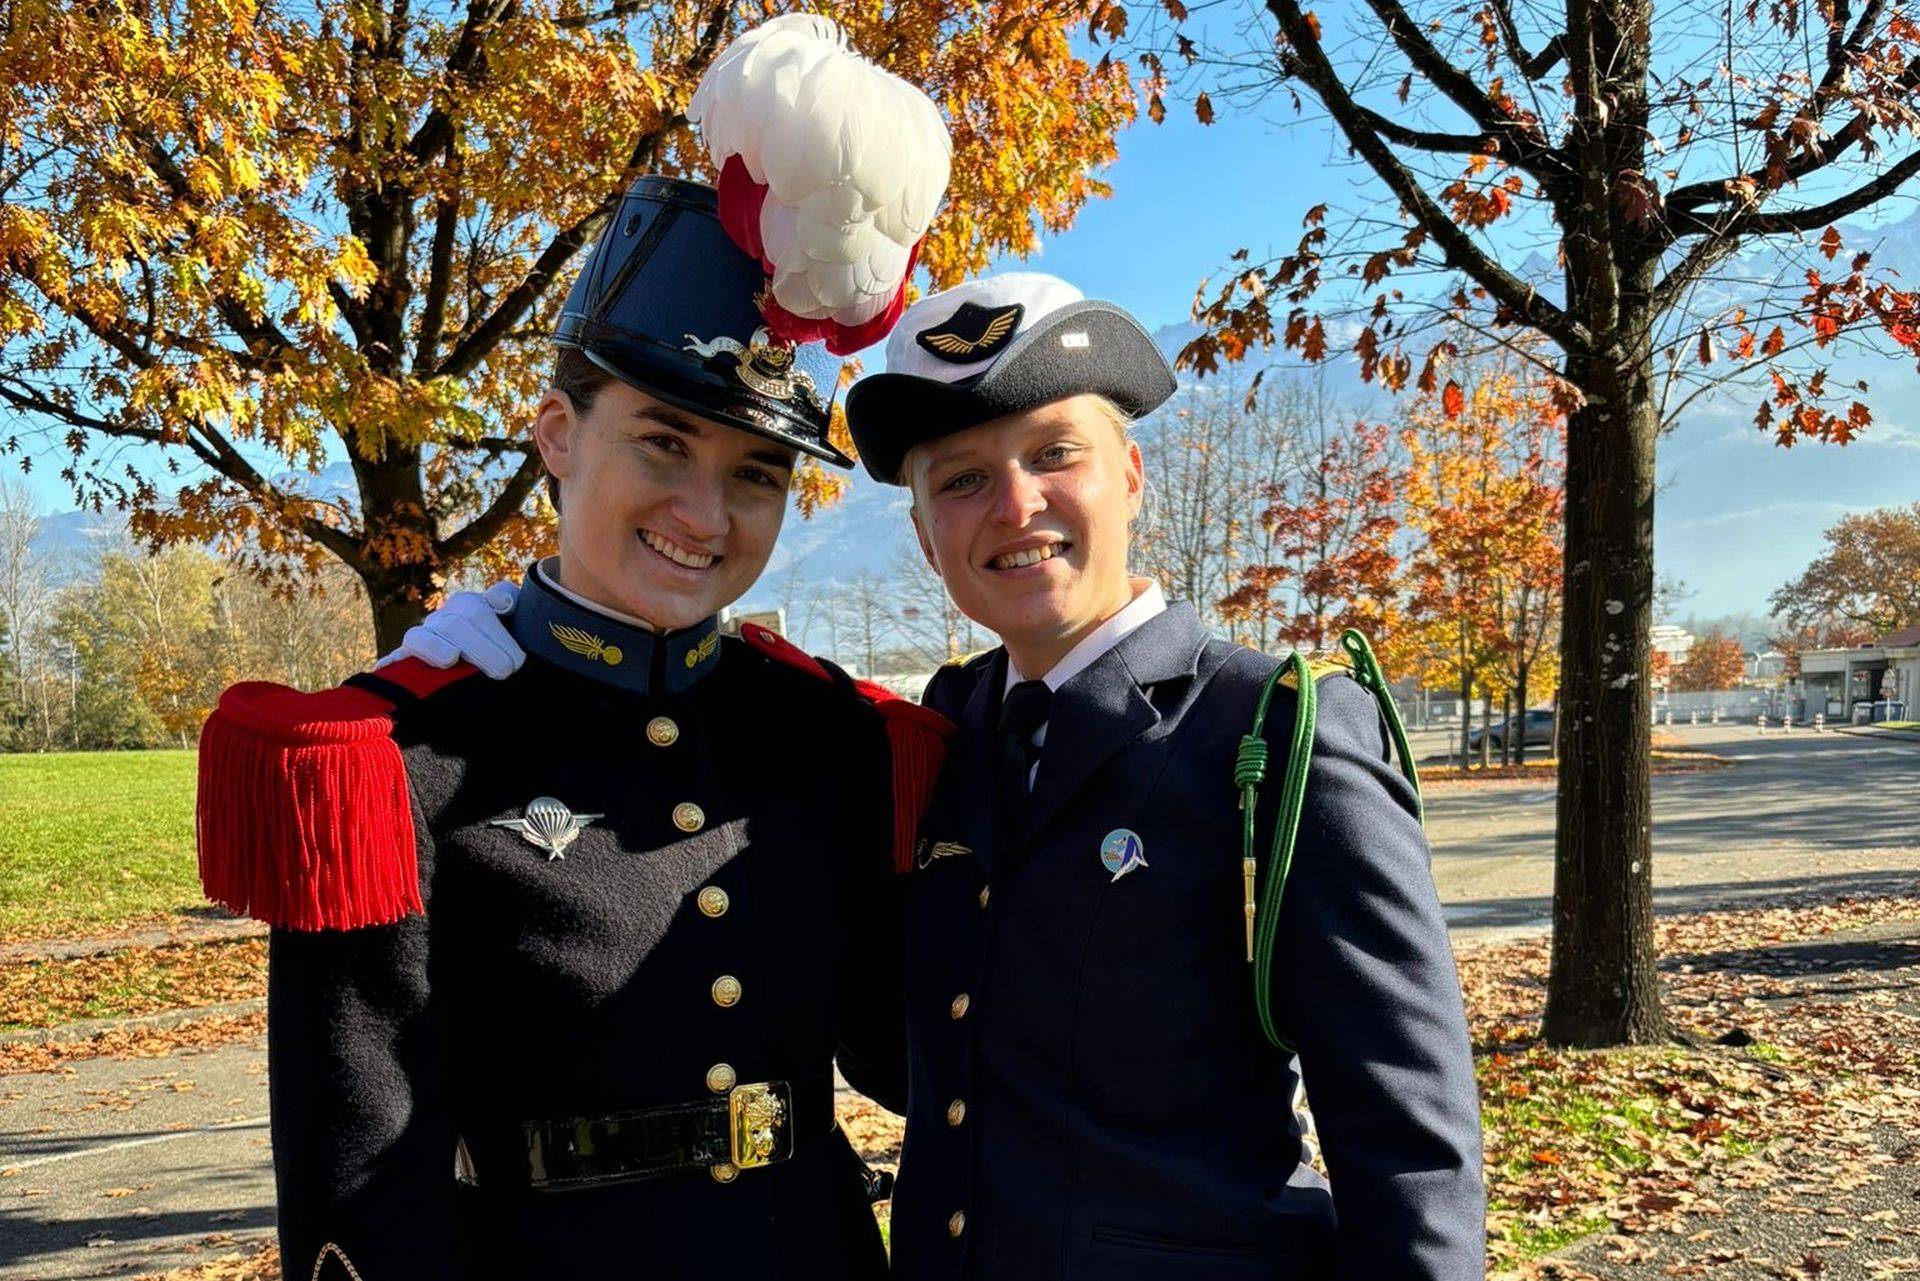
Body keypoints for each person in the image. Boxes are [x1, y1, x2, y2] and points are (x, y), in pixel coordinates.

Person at [399, 273, 1486, 1278]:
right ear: (924, 537)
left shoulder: (1276, 738)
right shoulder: (942, 738)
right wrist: (531, 643)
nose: (1014, 507)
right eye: (963, 480)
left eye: (1054, 453)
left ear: (1132, 476)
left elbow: (1413, 1157)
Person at [194, 17, 953, 1279]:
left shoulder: (835, 738)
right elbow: (361, 1184)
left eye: (757, 473)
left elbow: (922, 1058)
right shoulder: (397, 760)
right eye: (662, 443)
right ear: (556, 432)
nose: (704, 515)